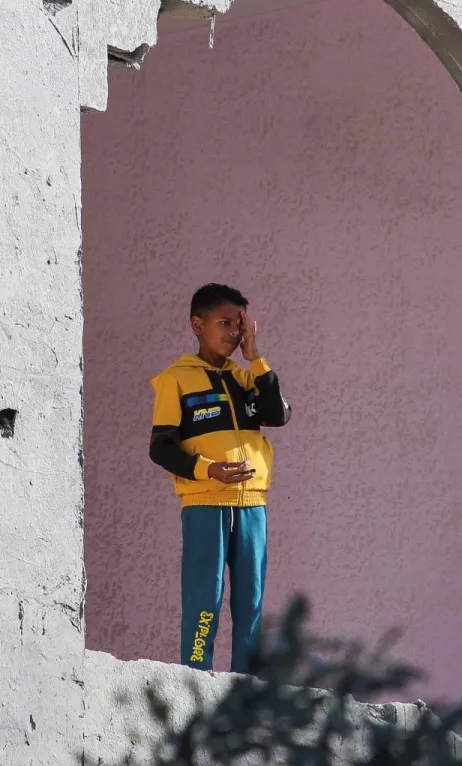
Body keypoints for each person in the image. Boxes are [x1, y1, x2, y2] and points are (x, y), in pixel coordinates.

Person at [148, 283, 292, 673]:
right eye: (224, 322)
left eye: (240, 324)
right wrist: (206, 470)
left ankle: (246, 684)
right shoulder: (175, 380)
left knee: (251, 597)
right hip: (205, 504)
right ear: (198, 324)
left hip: (253, 505)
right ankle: (196, 676)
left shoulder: (247, 380)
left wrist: (256, 358)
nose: (233, 332)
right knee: (205, 596)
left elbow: (278, 414)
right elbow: (160, 447)